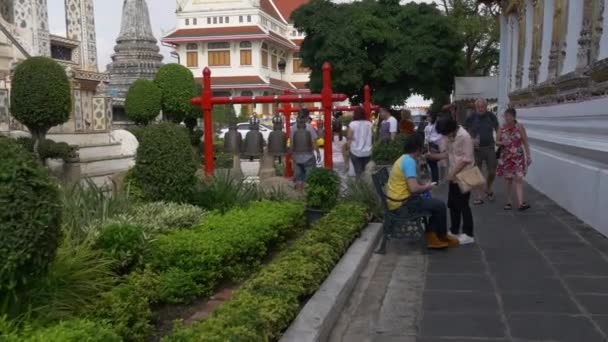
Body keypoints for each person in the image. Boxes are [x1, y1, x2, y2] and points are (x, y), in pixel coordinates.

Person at [386, 133, 459, 249]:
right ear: (417, 149)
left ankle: (436, 235)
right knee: (439, 206)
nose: (422, 152)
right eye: (421, 149)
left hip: (398, 201)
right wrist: (427, 187)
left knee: (435, 204)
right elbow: (414, 188)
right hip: (403, 203)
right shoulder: (409, 162)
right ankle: (436, 237)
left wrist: (423, 185)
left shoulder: (403, 159)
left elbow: (412, 184)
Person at [429, 116, 475, 245]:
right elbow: (447, 154)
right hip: (454, 175)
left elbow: (467, 159)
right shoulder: (450, 136)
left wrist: (452, 173)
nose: (445, 136)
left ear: (451, 128)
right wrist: (432, 156)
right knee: (453, 204)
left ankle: (468, 234)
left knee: (463, 205)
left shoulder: (464, 137)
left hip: (466, 174)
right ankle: (454, 230)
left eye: (445, 133)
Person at [465, 98, 499, 205]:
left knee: (492, 171)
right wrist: (471, 139)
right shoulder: (471, 117)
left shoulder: (491, 116)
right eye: (478, 107)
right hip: (476, 149)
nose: (480, 109)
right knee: (476, 172)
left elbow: (498, 128)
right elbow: (464, 130)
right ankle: (479, 196)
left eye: (482, 106)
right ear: (476, 108)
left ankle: (488, 188)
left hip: (489, 147)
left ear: (486, 106)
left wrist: (498, 139)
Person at [496, 108, 532, 211]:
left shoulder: (520, 127)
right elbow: (497, 141)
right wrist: (503, 143)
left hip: (518, 157)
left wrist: (529, 156)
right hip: (506, 157)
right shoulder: (502, 128)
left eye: (508, 116)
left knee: (519, 178)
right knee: (508, 180)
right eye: (505, 116)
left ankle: (521, 203)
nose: (506, 118)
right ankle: (508, 201)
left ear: (513, 117)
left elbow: (525, 142)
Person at [291, 109, 321, 191]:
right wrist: (318, 153)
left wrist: (292, 156)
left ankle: (298, 197)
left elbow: (292, 142)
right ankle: (306, 196)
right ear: (307, 116)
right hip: (308, 157)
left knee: (299, 179)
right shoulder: (309, 127)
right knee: (309, 179)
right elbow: (314, 142)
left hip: (297, 157)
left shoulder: (293, 127)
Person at [347, 107, 373, 176]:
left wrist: (348, 148)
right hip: (367, 151)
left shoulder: (352, 124)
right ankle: (365, 185)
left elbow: (349, 137)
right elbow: (373, 136)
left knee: (358, 172)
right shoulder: (369, 124)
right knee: (365, 171)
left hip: (355, 151)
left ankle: (359, 185)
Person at [424, 112, 442, 183]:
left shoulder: (437, 125)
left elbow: (440, 135)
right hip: (428, 145)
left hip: (434, 145)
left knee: (433, 163)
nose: (427, 118)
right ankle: (433, 179)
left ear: (432, 117)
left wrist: (432, 139)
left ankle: (435, 180)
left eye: (429, 116)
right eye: (427, 116)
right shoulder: (428, 125)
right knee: (429, 162)